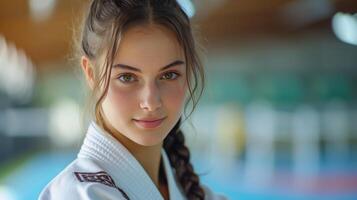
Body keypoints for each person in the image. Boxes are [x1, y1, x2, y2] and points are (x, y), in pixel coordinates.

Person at [39, 0, 227, 199]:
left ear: (188, 73)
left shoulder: (194, 193)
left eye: (169, 75)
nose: (151, 102)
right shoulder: (78, 194)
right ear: (91, 74)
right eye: (127, 77)